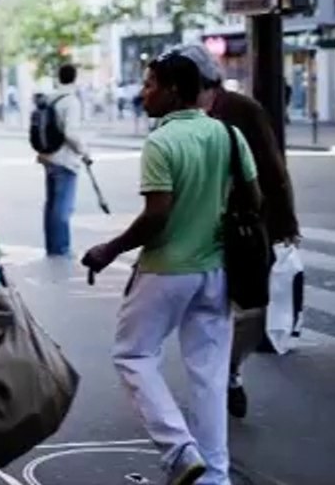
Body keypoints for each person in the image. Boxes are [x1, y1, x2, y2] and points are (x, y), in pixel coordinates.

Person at [82, 52, 261, 485]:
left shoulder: (162, 143)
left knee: (133, 354)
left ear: (173, 90)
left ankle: (179, 449)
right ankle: (214, 477)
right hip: (216, 272)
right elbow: (254, 199)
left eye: (150, 85)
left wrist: (111, 248)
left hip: (165, 270)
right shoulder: (229, 135)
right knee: (210, 376)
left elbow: (157, 213)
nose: (144, 93)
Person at [172, 43, 300, 419]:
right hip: (198, 228)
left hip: (242, 226)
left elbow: (273, 169)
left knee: (251, 309)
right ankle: (217, 381)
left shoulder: (242, 111)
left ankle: (228, 369)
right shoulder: (181, 115)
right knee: (208, 309)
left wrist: (284, 222)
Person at [36, 63, 91, 257]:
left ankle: (52, 246)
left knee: (51, 204)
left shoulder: (51, 98)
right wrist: (84, 151)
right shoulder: (71, 101)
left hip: (48, 157)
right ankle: (61, 248)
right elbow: (71, 133)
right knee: (62, 206)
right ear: (75, 78)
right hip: (65, 159)